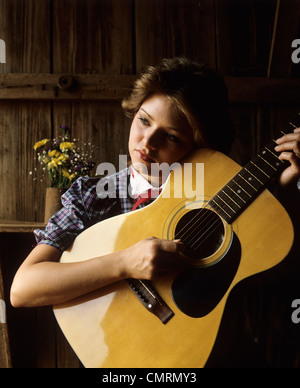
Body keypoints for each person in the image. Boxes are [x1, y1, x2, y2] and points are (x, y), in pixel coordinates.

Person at [10, 57, 300, 309]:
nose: (147, 143)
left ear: (200, 146)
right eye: (144, 121)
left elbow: (274, 276)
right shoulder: (92, 196)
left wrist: (286, 190)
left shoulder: (227, 194)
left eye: (171, 136)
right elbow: (23, 288)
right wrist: (124, 263)